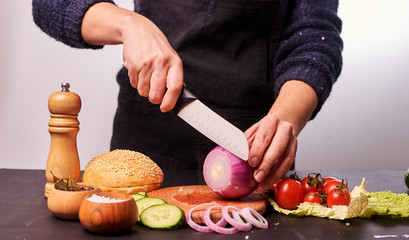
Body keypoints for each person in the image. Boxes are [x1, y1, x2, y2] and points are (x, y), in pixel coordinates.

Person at [32, 0, 343, 193]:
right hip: (145, 141)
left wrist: (287, 116)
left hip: (254, 148)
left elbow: (315, 37)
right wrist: (128, 24)